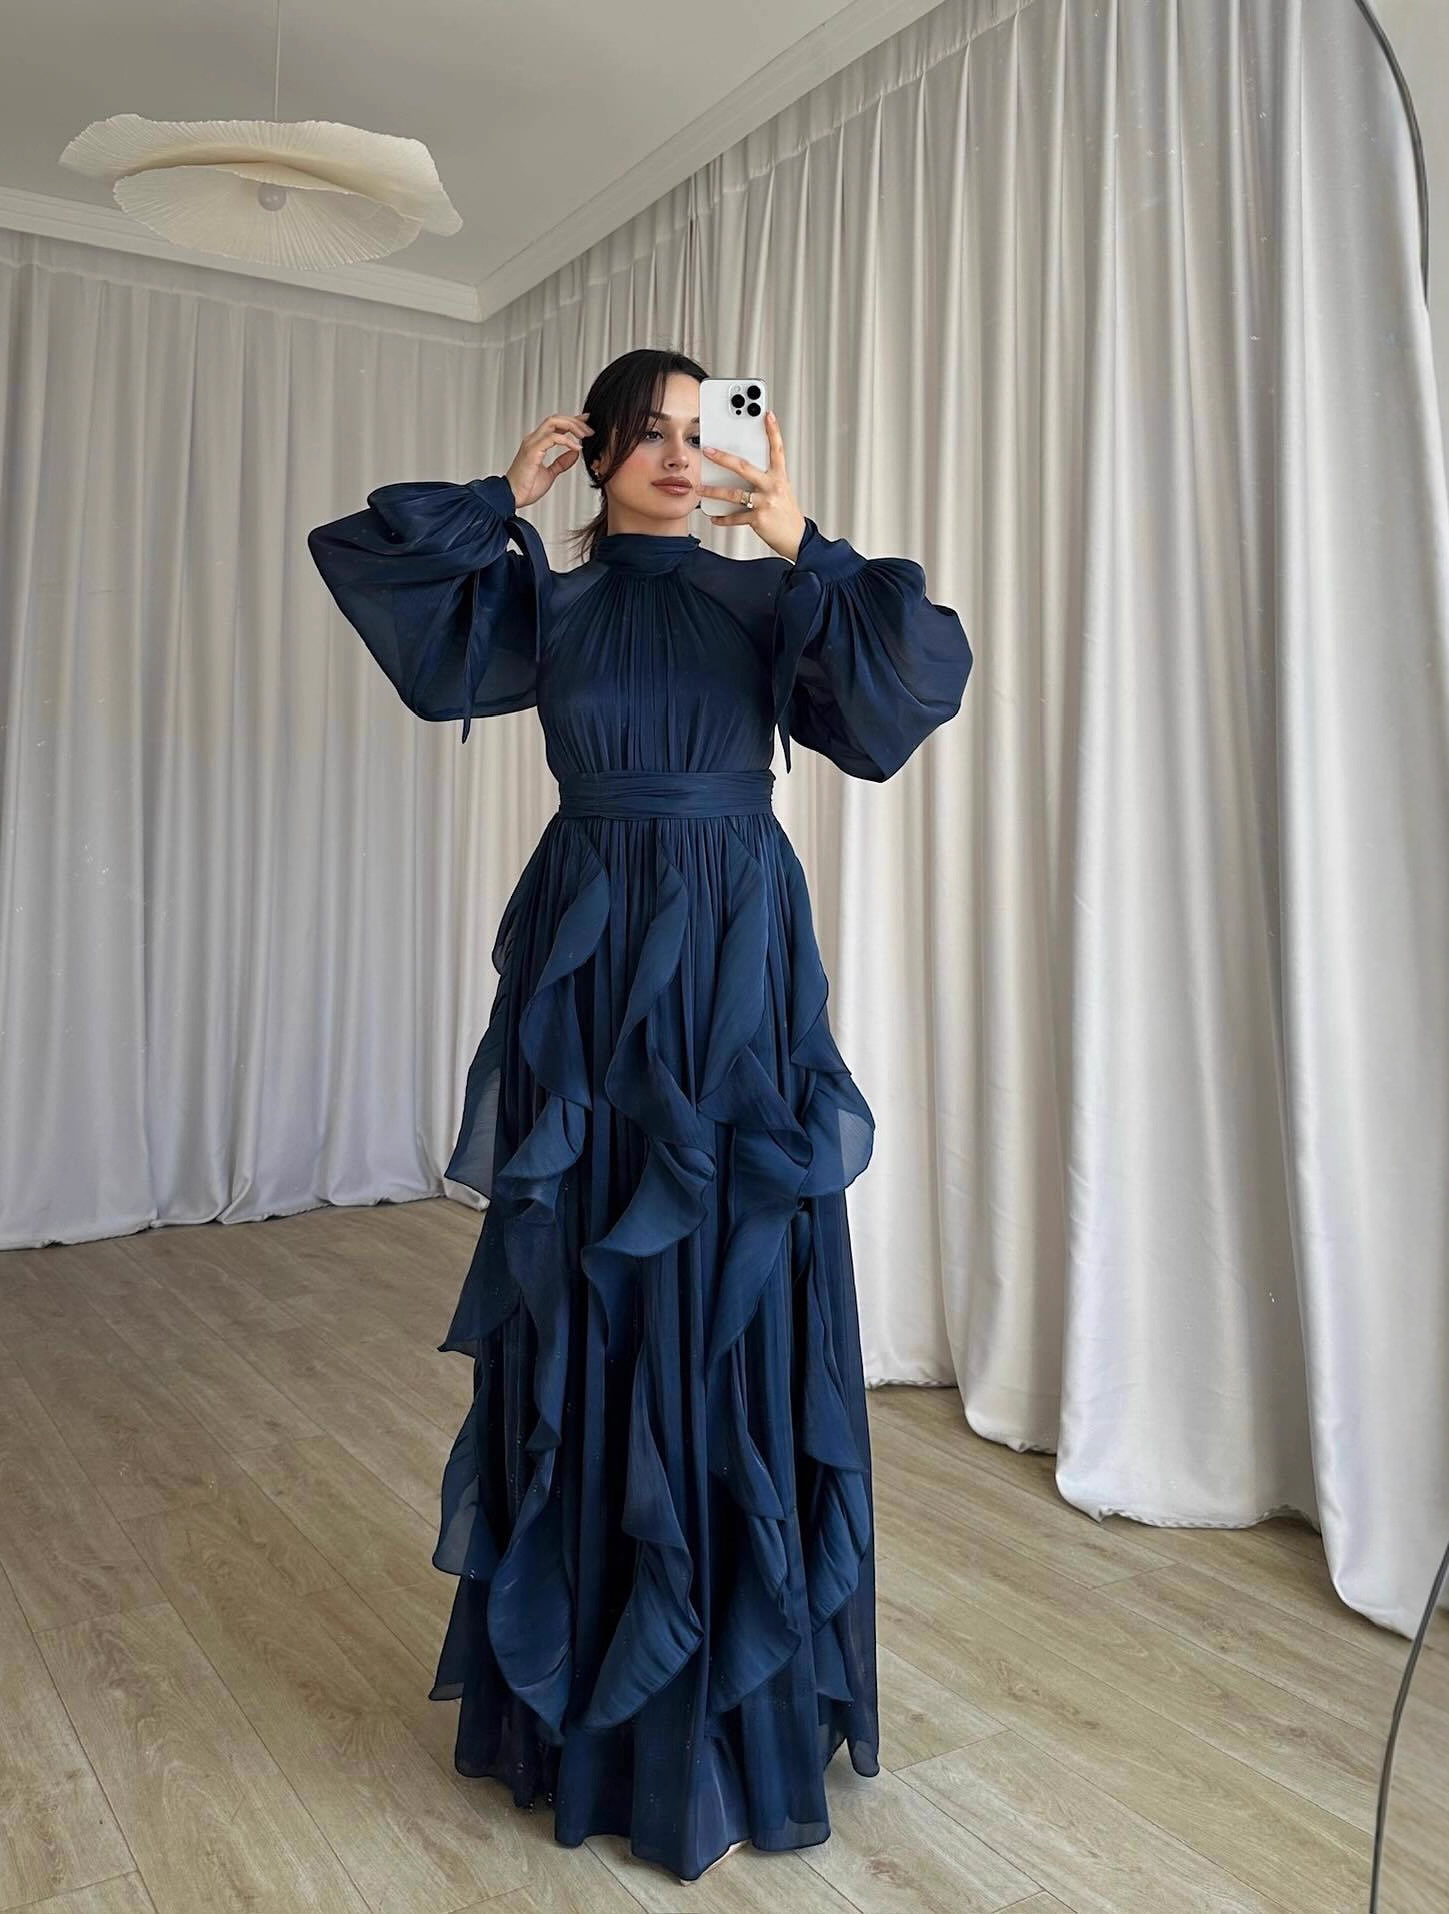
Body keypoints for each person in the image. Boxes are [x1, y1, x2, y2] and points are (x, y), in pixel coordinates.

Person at [306, 347, 973, 1881]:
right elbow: (379, 573)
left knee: (729, 1289)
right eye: (650, 432)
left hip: (735, 966)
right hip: (594, 963)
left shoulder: (768, 598)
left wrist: (802, 538)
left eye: (701, 431)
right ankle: (593, 1706)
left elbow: (908, 689)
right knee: (595, 1288)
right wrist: (501, 496)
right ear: (596, 446)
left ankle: (731, 1702)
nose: (680, 454)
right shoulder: (545, 598)